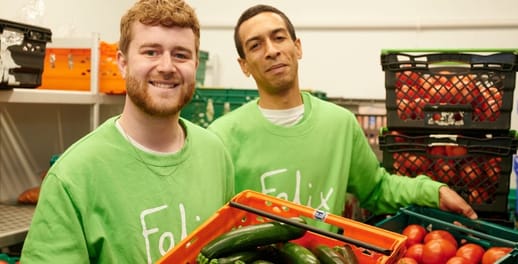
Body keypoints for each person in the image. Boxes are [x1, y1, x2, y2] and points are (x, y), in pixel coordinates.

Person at [207, 4, 476, 231]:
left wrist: (433, 192)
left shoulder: (340, 124)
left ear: (297, 47)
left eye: (279, 38)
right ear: (244, 65)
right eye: (255, 45)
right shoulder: (222, 137)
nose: (271, 50)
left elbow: (377, 189)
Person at [21, 0, 234, 263]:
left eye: (181, 54)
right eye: (151, 52)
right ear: (122, 63)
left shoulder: (215, 153)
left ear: (195, 66)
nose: (167, 67)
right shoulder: (73, 176)